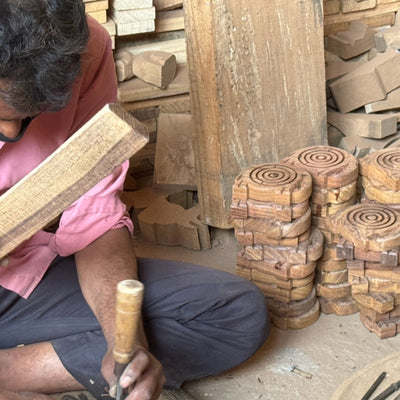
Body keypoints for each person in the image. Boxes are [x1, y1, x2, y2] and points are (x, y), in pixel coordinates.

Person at [0, 1, 270, 400]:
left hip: (16, 280)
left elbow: (94, 219)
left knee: (234, 313)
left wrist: (124, 341)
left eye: (29, 117)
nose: (10, 131)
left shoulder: (83, 50)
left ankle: (12, 371)